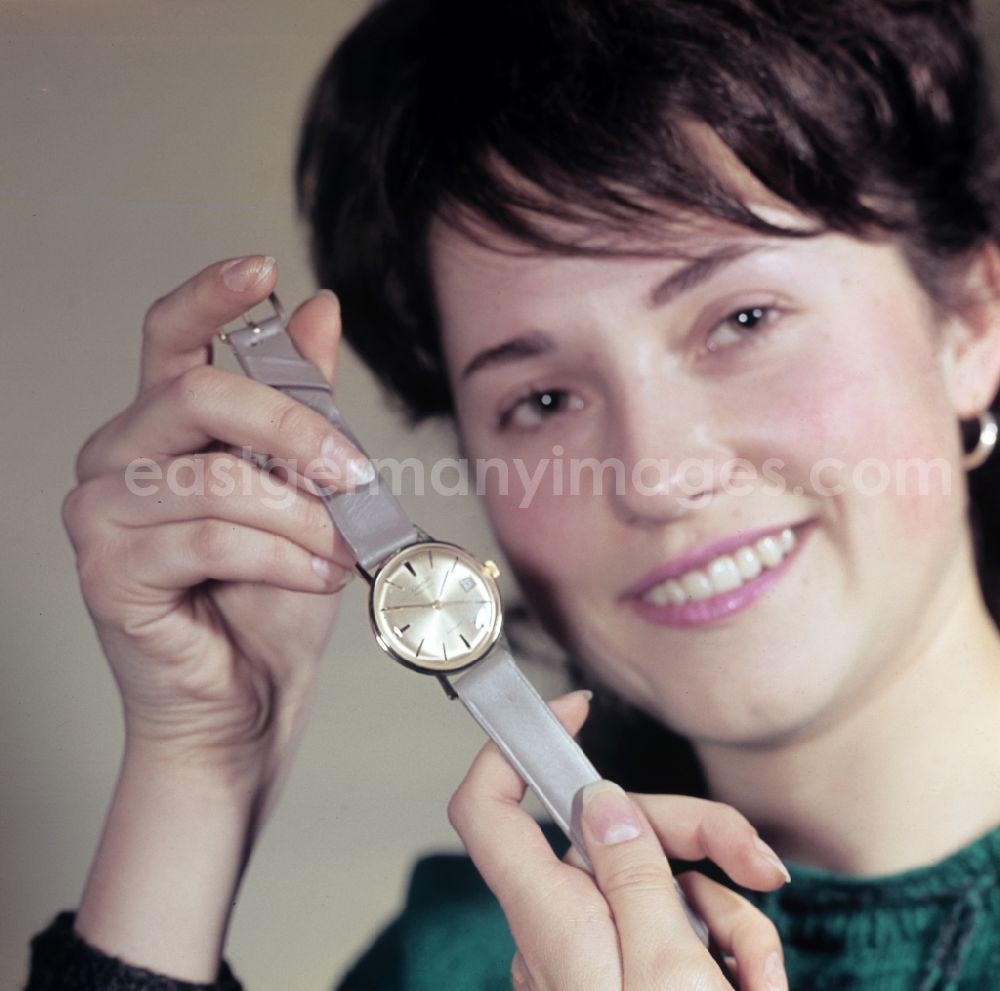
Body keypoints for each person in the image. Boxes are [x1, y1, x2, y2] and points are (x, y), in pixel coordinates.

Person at [26, 0, 1000, 988]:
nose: (655, 477)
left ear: (968, 321)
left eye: (743, 318)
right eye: (541, 399)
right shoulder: (459, 960)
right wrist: (199, 767)